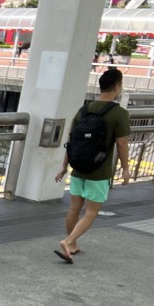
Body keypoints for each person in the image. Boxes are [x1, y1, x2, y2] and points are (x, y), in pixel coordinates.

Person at [53, 68, 131, 263]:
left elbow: (71, 142)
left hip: (78, 167)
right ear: (116, 87)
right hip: (99, 171)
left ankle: (72, 245)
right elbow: (122, 144)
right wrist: (126, 168)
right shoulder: (119, 113)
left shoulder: (84, 110)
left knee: (74, 208)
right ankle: (68, 241)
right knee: (91, 211)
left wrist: (64, 167)